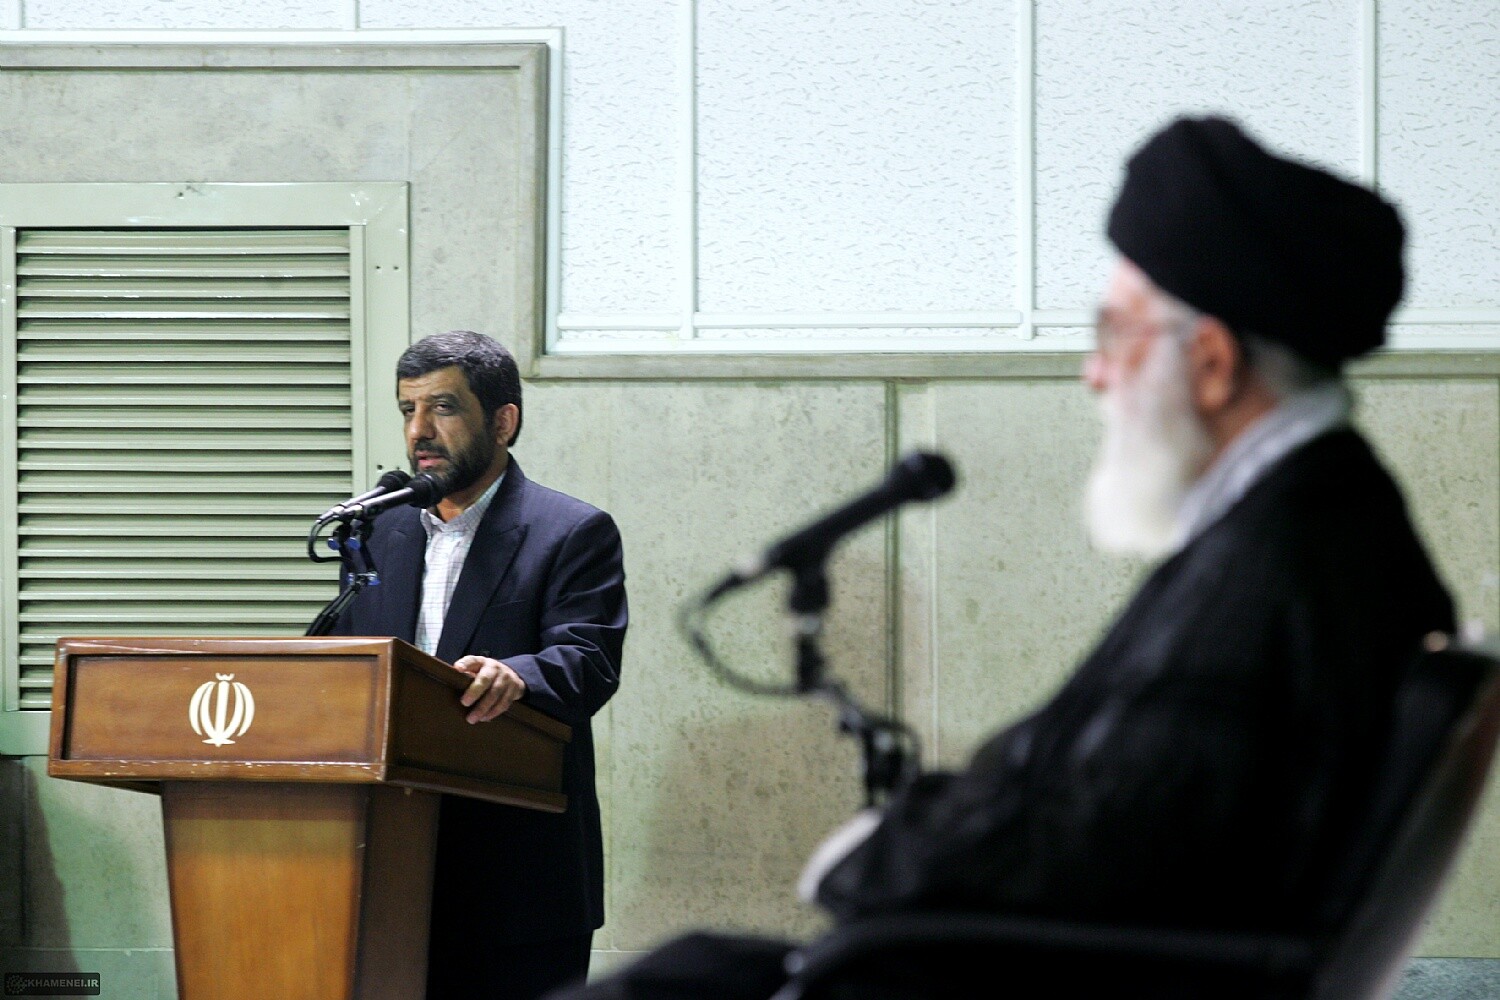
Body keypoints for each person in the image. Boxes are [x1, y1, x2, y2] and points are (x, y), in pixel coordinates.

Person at [543, 115, 1456, 998]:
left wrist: (879, 855)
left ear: (1214, 364)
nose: (1094, 374)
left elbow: (1106, 841)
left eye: (1114, 335)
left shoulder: (1277, 568)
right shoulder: (1315, 523)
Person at [331, 330, 628, 999]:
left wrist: (517, 675)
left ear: (503, 421)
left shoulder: (571, 531)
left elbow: (588, 658)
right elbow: (346, 665)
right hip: (388, 871)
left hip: (516, 880)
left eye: (443, 408)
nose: (419, 430)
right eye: (408, 410)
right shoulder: (378, 531)